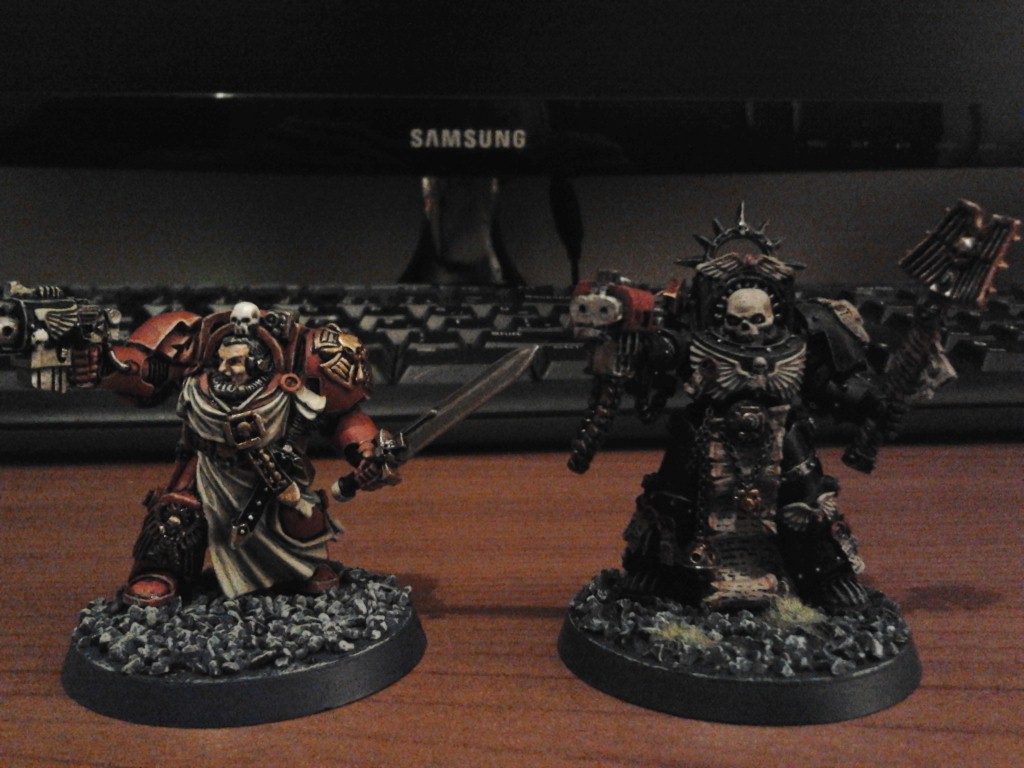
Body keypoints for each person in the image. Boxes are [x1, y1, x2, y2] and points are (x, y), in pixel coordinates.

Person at [71, 301, 392, 606]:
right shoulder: (196, 345)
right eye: (223, 360)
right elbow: (144, 369)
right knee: (177, 513)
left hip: (273, 466)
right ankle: (161, 570)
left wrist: (367, 453)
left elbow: (345, 416)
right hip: (207, 462)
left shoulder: (308, 356)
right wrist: (106, 365)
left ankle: (298, 566)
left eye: (237, 361)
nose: (226, 368)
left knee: (298, 517)